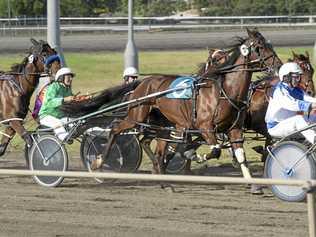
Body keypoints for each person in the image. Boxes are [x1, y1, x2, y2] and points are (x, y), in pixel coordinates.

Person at [265, 62, 316, 144]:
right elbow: (293, 104)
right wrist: (311, 105)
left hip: (289, 124)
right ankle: (314, 139)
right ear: (286, 77)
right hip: (276, 127)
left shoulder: (296, 90)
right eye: (295, 77)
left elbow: (309, 99)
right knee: (298, 119)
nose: (297, 80)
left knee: (314, 117)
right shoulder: (279, 91)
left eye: (298, 77)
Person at [38, 67, 75, 141]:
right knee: (57, 123)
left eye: (71, 77)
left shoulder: (67, 89)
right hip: (46, 116)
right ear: (61, 78)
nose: (70, 79)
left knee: (74, 122)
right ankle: (65, 138)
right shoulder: (53, 87)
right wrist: (64, 100)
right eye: (68, 77)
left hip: (60, 117)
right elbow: (49, 102)